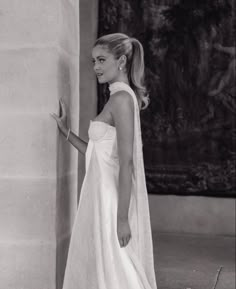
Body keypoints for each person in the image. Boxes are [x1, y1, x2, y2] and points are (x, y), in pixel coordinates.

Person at [51, 33, 157, 289]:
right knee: (107, 265)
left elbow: (127, 162)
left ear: (121, 61)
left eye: (101, 60)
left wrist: (122, 218)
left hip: (111, 199)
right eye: (93, 61)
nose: (96, 67)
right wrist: (66, 132)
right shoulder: (116, 97)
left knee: (118, 266)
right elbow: (98, 153)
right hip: (101, 195)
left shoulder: (121, 99)